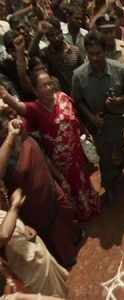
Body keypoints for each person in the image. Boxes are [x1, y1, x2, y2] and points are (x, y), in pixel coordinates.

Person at [0, 71, 101, 221]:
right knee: (70, 186)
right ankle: (82, 214)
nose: (48, 87)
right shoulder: (35, 108)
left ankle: (92, 206)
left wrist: (85, 134)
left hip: (77, 152)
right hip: (60, 161)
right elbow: (17, 106)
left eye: (49, 83)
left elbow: (76, 118)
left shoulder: (63, 97)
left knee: (84, 180)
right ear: (35, 90)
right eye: (43, 86)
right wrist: (4, 95)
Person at [0, 113, 81, 268]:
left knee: (66, 212)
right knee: (54, 233)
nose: (10, 124)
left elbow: (41, 155)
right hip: (35, 204)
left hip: (51, 187)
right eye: (4, 125)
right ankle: (67, 257)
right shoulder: (5, 156)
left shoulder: (22, 131)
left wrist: (58, 177)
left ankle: (75, 236)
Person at [71, 31, 124, 203]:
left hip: (122, 121)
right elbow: (78, 101)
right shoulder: (78, 75)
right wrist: (91, 118)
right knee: (106, 159)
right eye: (91, 54)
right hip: (100, 127)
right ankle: (109, 187)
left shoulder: (119, 69)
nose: (95, 58)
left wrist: (118, 101)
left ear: (105, 51)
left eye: (98, 53)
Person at [0, 187, 68, 297]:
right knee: (49, 295)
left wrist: (21, 225)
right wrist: (15, 206)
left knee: (58, 290)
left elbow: (4, 213)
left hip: (32, 250)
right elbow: (3, 235)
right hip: (25, 267)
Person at [37, 16, 84, 95]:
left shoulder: (75, 50)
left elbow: (84, 73)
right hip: (61, 98)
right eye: (51, 35)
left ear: (61, 32)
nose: (56, 38)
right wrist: (39, 33)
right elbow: (31, 53)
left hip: (80, 93)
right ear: (47, 37)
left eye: (58, 33)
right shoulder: (46, 54)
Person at [95, 14, 124, 83]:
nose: (109, 35)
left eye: (111, 31)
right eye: (105, 32)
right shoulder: (95, 53)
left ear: (115, 31)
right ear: (99, 33)